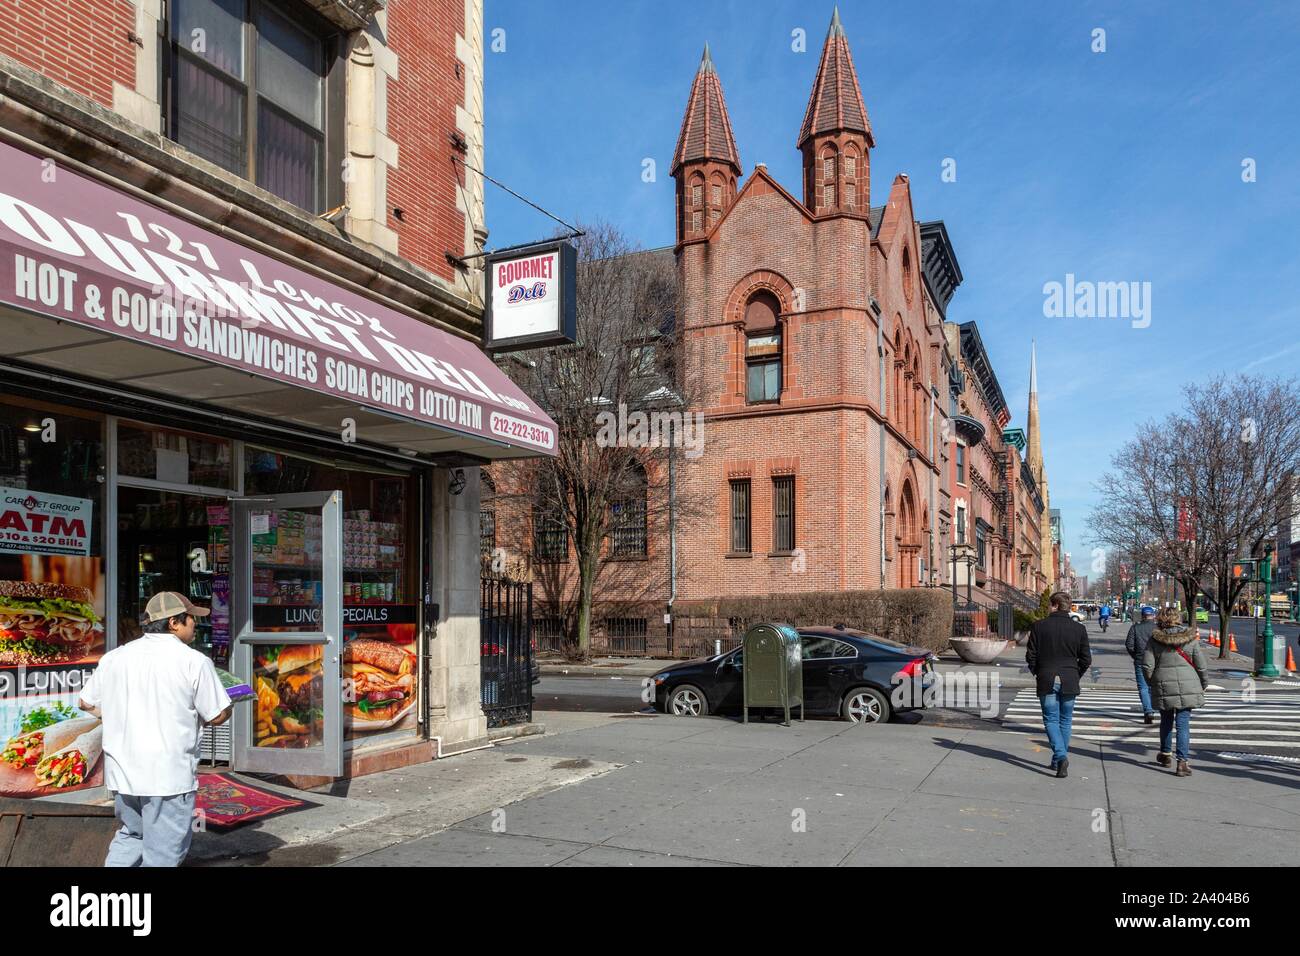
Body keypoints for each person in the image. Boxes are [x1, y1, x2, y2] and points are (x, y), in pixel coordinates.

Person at [79, 592, 232, 867]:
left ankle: (110, 906)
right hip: (167, 775)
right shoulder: (193, 661)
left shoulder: (115, 658)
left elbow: (86, 702)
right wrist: (230, 703)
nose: (194, 625)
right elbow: (218, 714)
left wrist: (114, 716)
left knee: (131, 836)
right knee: (163, 854)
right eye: (190, 619)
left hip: (122, 773)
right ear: (174, 622)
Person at [1026, 592, 1092, 778]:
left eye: (1049, 604)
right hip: (1070, 678)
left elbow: (1030, 655)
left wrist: (1038, 672)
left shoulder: (1039, 626)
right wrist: (1075, 674)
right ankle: (1059, 758)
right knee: (1065, 720)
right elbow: (1086, 659)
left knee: (1050, 719)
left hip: (1047, 677)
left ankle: (1060, 757)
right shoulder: (1079, 629)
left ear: (1054, 605)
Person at [1142, 607, 1208, 777]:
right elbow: (1201, 665)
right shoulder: (1190, 638)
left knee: (1165, 721)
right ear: (1178, 618)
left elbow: (1147, 666)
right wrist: (1203, 682)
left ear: (1161, 619)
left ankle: (1165, 754)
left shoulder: (1154, 640)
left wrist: (1152, 682)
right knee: (1183, 723)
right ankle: (1182, 762)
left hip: (1163, 683)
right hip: (1188, 684)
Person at [1124, 606, 1159, 724]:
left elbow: (1129, 644)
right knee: (1152, 687)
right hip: (1156, 662)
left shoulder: (1135, 628)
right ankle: (1151, 708)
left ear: (1143, 616)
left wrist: (1135, 655)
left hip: (1140, 660)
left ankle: (1148, 710)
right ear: (1153, 615)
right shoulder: (1158, 629)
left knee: (1143, 688)